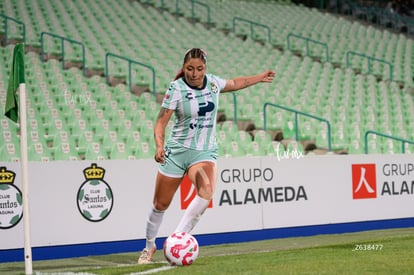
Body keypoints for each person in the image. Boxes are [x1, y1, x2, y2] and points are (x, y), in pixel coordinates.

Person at [138, 48, 275, 264]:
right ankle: (148, 247)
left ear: (205, 68)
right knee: (160, 204)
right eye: (190, 69)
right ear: (184, 68)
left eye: (199, 69)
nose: (194, 74)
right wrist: (159, 146)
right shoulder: (176, 88)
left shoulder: (213, 84)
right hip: (176, 153)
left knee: (206, 191)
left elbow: (236, 83)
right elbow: (160, 122)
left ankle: (177, 239)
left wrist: (259, 77)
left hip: (203, 152)